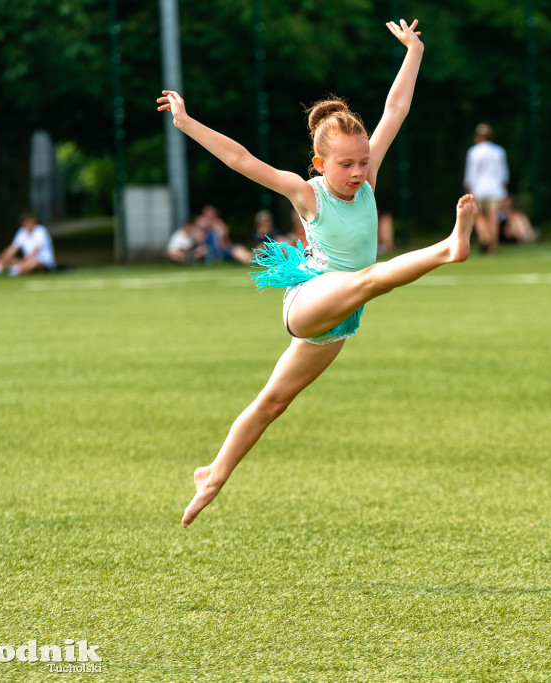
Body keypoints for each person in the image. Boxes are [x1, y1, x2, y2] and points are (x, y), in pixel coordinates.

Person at [157, 19, 478, 528]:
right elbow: (241, 159)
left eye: (363, 162)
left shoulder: (367, 180)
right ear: (319, 163)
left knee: (273, 403)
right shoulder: (308, 194)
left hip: (340, 320)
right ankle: (448, 249)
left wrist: (414, 50)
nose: (356, 173)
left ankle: (212, 474)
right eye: (346, 165)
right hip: (309, 301)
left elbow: (397, 108)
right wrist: (186, 122)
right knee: (369, 280)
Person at [463, 123, 509, 254]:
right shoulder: (498, 151)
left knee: (479, 216)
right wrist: (505, 190)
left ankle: (484, 237)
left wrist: (468, 189)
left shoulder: (473, 151)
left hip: (479, 189)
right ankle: (493, 246)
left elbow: (470, 174)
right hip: (495, 189)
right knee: (494, 217)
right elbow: (503, 173)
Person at [0, 212, 55, 276]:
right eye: (24, 222)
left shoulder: (41, 230)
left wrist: (23, 262)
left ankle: (18, 269)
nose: (26, 224)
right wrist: (1, 259)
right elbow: (12, 248)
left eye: (28, 222)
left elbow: (35, 250)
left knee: (33, 263)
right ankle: (11, 268)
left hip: (43, 262)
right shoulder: (22, 232)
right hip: (27, 260)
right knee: (9, 260)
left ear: (33, 221)